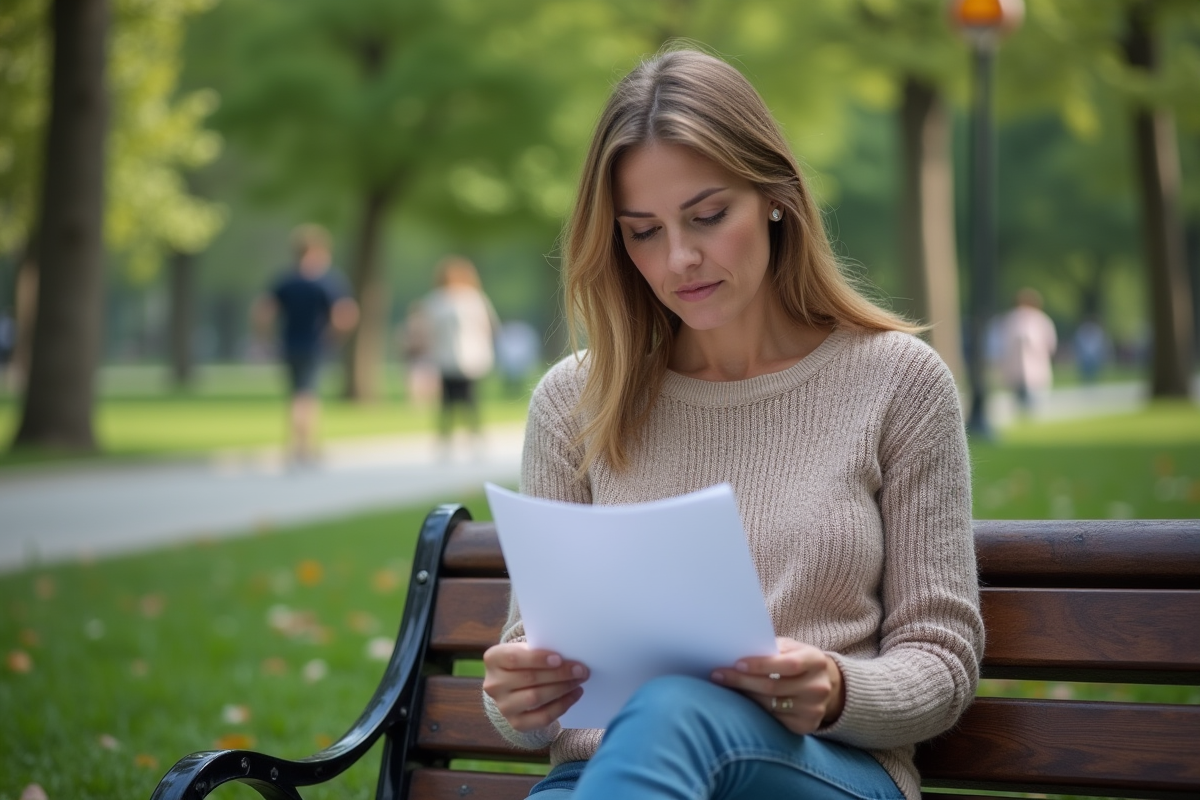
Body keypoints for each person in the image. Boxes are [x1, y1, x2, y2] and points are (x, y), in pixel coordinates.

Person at [480, 48, 984, 800]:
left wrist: (838, 689)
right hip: (607, 773)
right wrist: (515, 697)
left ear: (775, 197)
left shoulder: (897, 384)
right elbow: (533, 666)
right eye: (643, 231)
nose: (680, 258)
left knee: (677, 708)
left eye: (708, 216)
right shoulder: (574, 403)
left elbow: (942, 661)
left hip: (818, 771)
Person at [254, 224, 358, 465]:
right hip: (313, 345)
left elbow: (263, 310)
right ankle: (305, 448)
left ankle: (295, 446)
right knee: (307, 395)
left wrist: (266, 338)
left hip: (289, 344)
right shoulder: (326, 281)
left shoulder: (286, 280)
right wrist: (333, 337)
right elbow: (346, 313)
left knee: (296, 393)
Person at [420, 255, 500, 452]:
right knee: (452, 399)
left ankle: (470, 436)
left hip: (467, 357)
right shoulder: (442, 299)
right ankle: (450, 437)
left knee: (465, 398)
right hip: (451, 357)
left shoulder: (468, 298)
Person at [998, 287, 1057, 412]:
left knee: (1032, 397)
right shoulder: (1014, 320)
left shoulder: (1037, 320)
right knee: (1023, 397)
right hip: (1019, 367)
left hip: (1032, 366)